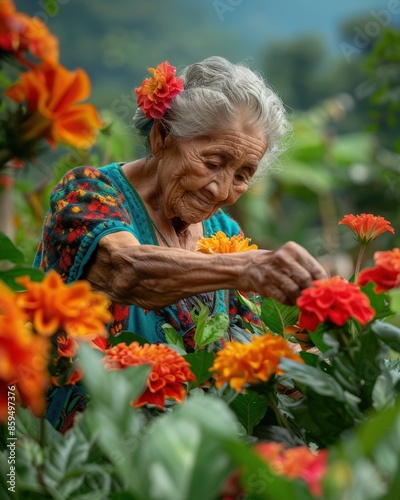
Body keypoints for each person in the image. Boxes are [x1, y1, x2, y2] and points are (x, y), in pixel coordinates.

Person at [34, 56, 327, 432]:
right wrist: (248, 269)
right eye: (213, 162)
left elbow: (245, 355)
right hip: (80, 457)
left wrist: (328, 363)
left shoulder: (223, 234)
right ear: (163, 137)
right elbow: (127, 271)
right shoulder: (88, 194)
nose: (221, 190)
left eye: (242, 175)